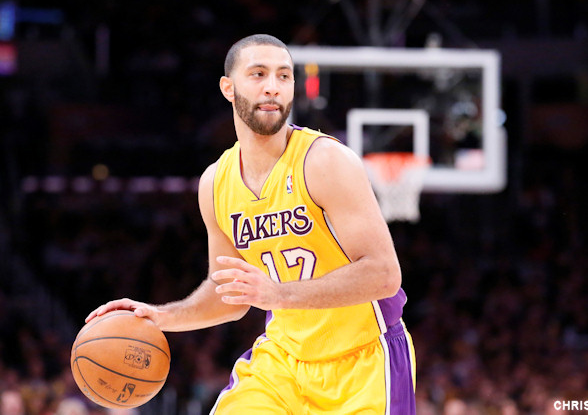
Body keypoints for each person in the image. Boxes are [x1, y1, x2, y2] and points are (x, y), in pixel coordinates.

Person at [86, 34, 416, 414]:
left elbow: (384, 275)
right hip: (282, 361)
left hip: (363, 361)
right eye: (258, 74)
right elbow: (228, 293)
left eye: (283, 76)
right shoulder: (215, 182)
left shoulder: (325, 161)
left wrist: (278, 295)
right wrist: (163, 317)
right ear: (228, 88)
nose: (272, 87)